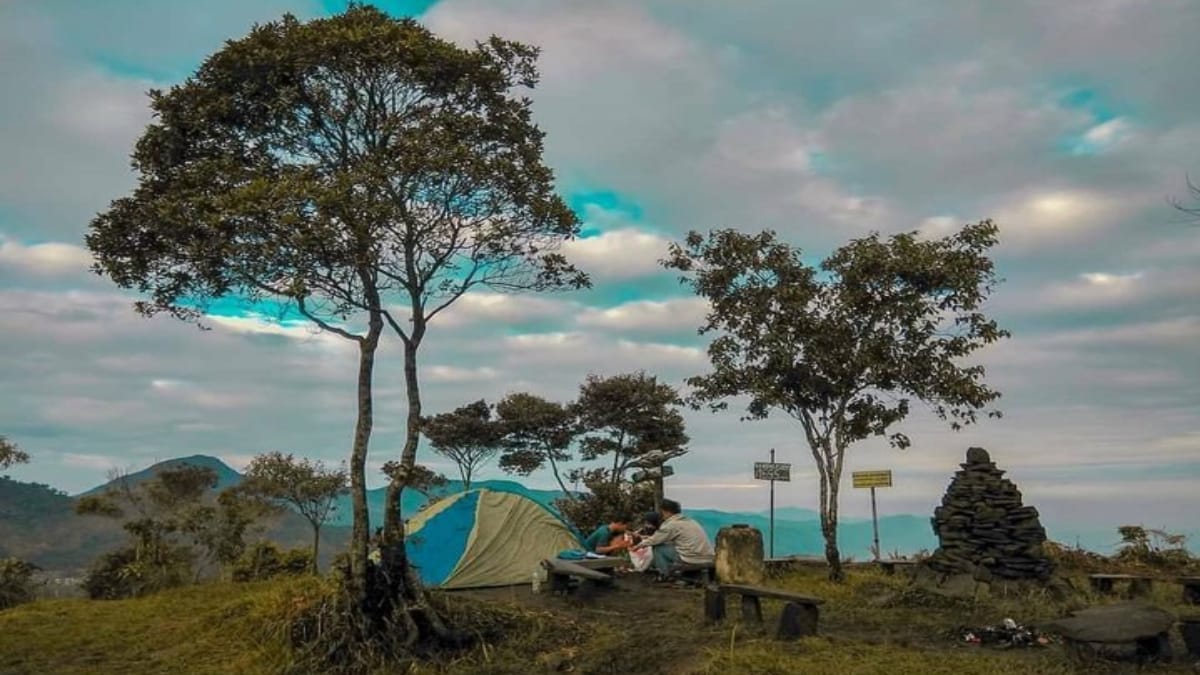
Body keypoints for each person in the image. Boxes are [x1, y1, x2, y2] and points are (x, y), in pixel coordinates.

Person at [631, 499, 714, 578]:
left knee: (658, 548)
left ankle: (665, 575)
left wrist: (637, 546)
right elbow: (667, 538)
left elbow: (655, 540)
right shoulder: (690, 521)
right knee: (665, 546)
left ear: (666, 511)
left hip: (692, 558)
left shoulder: (671, 524)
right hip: (707, 557)